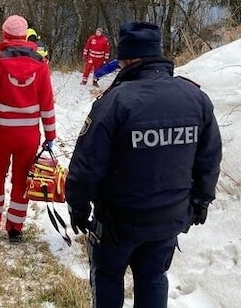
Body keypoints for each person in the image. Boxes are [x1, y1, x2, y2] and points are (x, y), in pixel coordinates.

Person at [66, 21, 222, 308]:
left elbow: (87, 164)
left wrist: (77, 204)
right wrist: (202, 199)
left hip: (118, 221)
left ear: (125, 59)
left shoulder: (114, 102)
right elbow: (209, 156)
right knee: (152, 278)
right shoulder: (196, 98)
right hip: (170, 218)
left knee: (108, 277)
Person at [0, 15, 57, 243]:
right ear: (25, 36)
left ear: (5, 35)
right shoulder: (41, 65)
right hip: (29, 136)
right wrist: (51, 135)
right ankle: (15, 229)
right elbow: (47, 103)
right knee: (21, 180)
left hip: (2, 134)